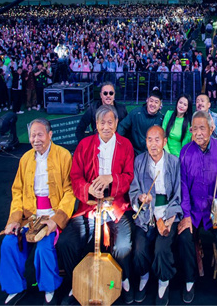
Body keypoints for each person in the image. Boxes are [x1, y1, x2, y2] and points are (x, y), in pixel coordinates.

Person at [57, 105, 135, 304]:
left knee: (123, 246)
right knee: (67, 242)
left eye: (110, 122)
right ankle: (79, 281)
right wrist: (88, 189)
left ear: (117, 123)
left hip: (117, 205)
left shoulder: (125, 145)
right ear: (96, 125)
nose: (106, 127)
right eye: (102, 123)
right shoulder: (84, 144)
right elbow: (75, 178)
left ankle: (123, 280)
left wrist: (111, 178)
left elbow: (129, 177)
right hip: (89, 205)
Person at [0, 119, 75, 305]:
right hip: (29, 216)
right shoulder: (25, 159)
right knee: (8, 243)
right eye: (33, 135)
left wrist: (55, 221)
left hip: (52, 215)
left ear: (50, 135)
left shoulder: (64, 156)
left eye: (40, 134)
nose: (36, 139)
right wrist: (15, 220)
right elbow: (17, 191)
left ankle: (50, 288)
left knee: (44, 247)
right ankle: (15, 288)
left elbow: (70, 191)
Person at [177, 111, 217, 305]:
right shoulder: (185, 152)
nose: (198, 133)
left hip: (216, 209)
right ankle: (189, 280)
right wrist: (186, 215)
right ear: (190, 131)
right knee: (184, 238)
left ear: (212, 129)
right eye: (194, 129)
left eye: (202, 128)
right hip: (195, 211)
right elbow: (183, 187)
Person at [129, 126, 182, 306]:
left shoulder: (174, 162)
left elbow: (177, 195)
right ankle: (144, 276)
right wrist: (140, 198)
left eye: (157, 139)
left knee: (161, 249)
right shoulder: (139, 161)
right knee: (138, 249)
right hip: (146, 214)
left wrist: (170, 218)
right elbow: (134, 189)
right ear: (145, 142)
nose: (153, 144)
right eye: (149, 140)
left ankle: (163, 282)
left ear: (165, 141)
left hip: (167, 212)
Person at [118, 87, 164, 156]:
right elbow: (122, 127)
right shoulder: (136, 113)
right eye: (151, 101)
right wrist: (120, 143)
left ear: (160, 104)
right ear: (147, 100)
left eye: (156, 102)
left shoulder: (161, 119)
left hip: (151, 155)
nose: (153, 104)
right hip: (134, 153)